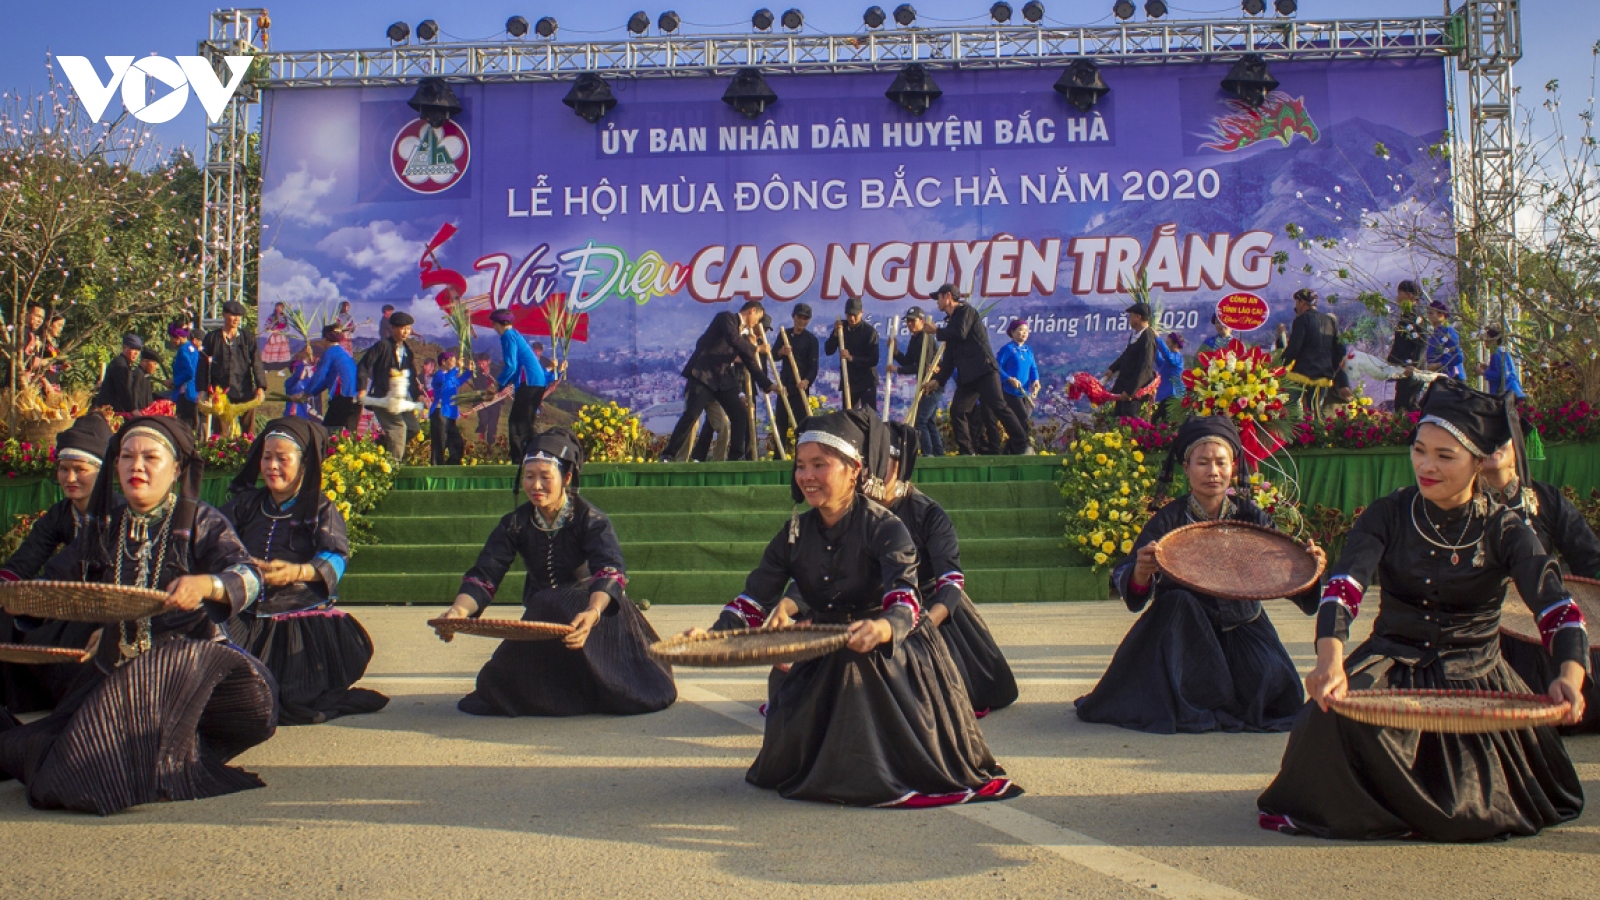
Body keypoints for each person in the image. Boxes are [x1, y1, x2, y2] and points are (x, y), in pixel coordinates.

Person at [1257, 380, 1587, 841]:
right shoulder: (1387, 514)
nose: (1426, 466)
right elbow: (1343, 588)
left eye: (1445, 456)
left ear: (1477, 462)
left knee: (1472, 807)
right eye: (1419, 450)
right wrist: (1330, 662)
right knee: (1327, 717)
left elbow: (1556, 607)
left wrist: (1569, 675)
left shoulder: (1506, 528)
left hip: (1475, 671)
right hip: (1394, 656)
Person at [696, 410, 1020, 807]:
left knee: (857, 667)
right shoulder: (794, 533)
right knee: (789, 689)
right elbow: (753, 597)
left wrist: (884, 628)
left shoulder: (885, 526)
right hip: (826, 640)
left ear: (854, 470)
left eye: (820, 465)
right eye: (801, 466)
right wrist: (716, 634)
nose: (807, 475)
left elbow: (905, 595)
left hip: (888, 648)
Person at [0, 415, 277, 816]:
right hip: (120, 673)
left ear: (177, 468)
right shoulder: (105, 527)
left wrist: (206, 585)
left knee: (166, 664)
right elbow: (55, 580)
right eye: (127, 457)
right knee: (35, 749)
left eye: (150, 457)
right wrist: (20, 600)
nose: (137, 467)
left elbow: (250, 577)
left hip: (193, 675)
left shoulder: (200, 521)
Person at [1076, 416, 1323, 734]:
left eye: (1221, 462)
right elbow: (1130, 578)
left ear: (1233, 466)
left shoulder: (1251, 517)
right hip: (1185, 636)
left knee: (1278, 696)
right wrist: (1141, 571)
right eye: (1203, 462)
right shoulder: (1169, 521)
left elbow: (1286, 576)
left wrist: (1308, 568)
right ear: (1186, 467)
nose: (1213, 472)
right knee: (1178, 603)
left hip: (1242, 626)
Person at [434, 429, 675, 717]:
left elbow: (609, 568)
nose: (536, 485)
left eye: (545, 477)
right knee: (493, 687)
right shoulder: (515, 523)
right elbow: (486, 572)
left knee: (629, 693)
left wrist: (593, 612)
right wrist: (458, 612)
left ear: (567, 478)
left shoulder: (590, 519)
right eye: (529, 476)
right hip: (544, 618)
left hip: (593, 614)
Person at [221, 418, 388, 726]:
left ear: (304, 463)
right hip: (248, 615)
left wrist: (298, 572)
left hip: (299, 621)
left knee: (291, 699)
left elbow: (336, 555)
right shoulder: (246, 505)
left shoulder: (319, 508)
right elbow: (216, 540)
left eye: (282, 459)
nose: (272, 466)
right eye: (267, 456)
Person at [881, 419, 1018, 714]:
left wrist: (923, 623)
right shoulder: (856, 512)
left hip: (930, 610)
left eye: (884, 461)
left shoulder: (927, 514)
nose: (875, 469)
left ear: (900, 464)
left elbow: (951, 580)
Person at [1479, 427, 1600, 732]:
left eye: (1500, 437)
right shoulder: (1458, 501)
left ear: (1518, 445)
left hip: (1540, 616)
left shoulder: (1545, 498)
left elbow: (1589, 557)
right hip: (1485, 625)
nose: (1492, 445)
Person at [0, 414, 117, 712]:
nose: (70, 478)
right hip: (65, 599)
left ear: (102, 473)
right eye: (64, 469)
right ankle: (19, 701)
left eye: (80, 469)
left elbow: (69, 562)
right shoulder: (60, 513)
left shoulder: (117, 512)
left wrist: (35, 595)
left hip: (106, 606)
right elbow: (27, 558)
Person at [660, 302, 773, 463]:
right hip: (703, 376)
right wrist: (756, 349)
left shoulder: (743, 336)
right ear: (752, 311)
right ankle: (669, 454)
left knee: (740, 414)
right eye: (758, 318)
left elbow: (750, 363)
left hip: (721, 380)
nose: (757, 323)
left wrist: (767, 384)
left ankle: (735, 456)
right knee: (691, 415)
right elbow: (732, 339)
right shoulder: (726, 318)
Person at [923, 284, 1028, 455]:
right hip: (968, 377)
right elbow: (950, 357)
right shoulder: (951, 323)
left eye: (939, 297)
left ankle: (1022, 443)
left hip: (984, 370)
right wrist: (938, 380)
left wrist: (937, 331)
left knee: (999, 406)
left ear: (948, 296)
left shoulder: (966, 311)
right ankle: (967, 451)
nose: (937, 302)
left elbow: (960, 332)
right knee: (958, 410)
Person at [358, 310, 425, 461]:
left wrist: (418, 395)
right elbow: (363, 366)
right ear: (393, 328)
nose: (405, 332)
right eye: (402, 328)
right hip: (383, 398)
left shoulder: (407, 350)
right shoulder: (382, 346)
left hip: (399, 399)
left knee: (413, 428)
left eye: (408, 328)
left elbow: (412, 376)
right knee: (398, 429)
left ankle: (384, 446)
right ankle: (393, 468)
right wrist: (362, 389)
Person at [488, 308, 550, 465]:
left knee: (517, 424)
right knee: (526, 423)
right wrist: (502, 387)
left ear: (497, 324)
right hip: (537, 383)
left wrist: (496, 385)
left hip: (530, 383)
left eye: (494, 324)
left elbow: (510, 365)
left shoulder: (507, 336)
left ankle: (519, 462)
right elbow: (516, 368)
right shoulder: (515, 334)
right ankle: (533, 458)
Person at [197, 300, 268, 435]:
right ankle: (221, 454)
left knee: (248, 432)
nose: (236, 319)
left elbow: (257, 362)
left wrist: (260, 387)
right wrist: (202, 389)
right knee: (220, 433)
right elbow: (203, 365)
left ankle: (248, 452)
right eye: (233, 315)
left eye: (239, 315)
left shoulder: (247, 337)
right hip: (221, 392)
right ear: (224, 314)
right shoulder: (212, 338)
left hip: (244, 389)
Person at [1282, 288, 1346, 412]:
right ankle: (1315, 431)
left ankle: (1295, 431)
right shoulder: (1331, 321)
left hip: (1302, 373)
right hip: (1323, 376)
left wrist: (1280, 365)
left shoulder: (1302, 320)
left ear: (1302, 302)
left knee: (1290, 408)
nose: (1296, 306)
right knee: (1315, 411)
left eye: (1296, 303)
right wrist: (1331, 369)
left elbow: (1294, 348)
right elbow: (1340, 349)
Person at [892, 306, 943, 458]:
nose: (909, 324)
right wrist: (895, 353)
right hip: (924, 384)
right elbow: (908, 361)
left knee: (921, 420)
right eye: (908, 321)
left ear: (922, 321)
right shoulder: (915, 339)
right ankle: (938, 453)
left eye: (913, 321)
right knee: (929, 422)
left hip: (932, 385)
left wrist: (897, 370)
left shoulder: (926, 338)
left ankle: (928, 453)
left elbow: (921, 366)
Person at [299, 322, 360, 433]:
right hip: (354, 398)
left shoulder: (330, 352)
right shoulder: (343, 352)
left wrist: (306, 393)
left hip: (343, 397)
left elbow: (320, 375)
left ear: (325, 339)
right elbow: (326, 381)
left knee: (329, 432)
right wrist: (310, 394)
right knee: (348, 434)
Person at [1103, 301, 1158, 419]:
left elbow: (1145, 369)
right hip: (1124, 384)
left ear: (1138, 317)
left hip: (1134, 390)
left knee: (1128, 419)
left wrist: (1130, 391)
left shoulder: (1147, 338)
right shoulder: (1135, 335)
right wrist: (1112, 369)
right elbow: (1127, 355)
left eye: (1131, 316)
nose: (1130, 319)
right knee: (1118, 416)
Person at [825, 297, 881, 412]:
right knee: (849, 415)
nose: (851, 318)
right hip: (849, 380)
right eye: (849, 314)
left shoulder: (869, 332)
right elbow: (828, 350)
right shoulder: (841, 329)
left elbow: (873, 360)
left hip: (867, 380)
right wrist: (835, 334)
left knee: (869, 415)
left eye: (855, 315)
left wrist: (852, 358)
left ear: (861, 313)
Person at [773, 303, 819, 441]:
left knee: (801, 424)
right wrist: (782, 351)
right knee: (781, 423)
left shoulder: (811, 340)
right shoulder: (784, 335)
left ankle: (801, 455)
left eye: (805, 318)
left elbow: (814, 366)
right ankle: (778, 456)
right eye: (799, 317)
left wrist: (806, 381)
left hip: (800, 387)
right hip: (785, 385)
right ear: (794, 317)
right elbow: (774, 355)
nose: (802, 321)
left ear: (808, 320)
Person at [1386, 281, 1429, 412]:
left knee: (1408, 406)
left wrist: (1414, 365)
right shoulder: (1406, 316)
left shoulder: (1416, 317)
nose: (1397, 297)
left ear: (1410, 296)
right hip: (1403, 369)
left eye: (1400, 293)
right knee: (1401, 405)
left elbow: (1422, 343)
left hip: (1411, 370)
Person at [995, 319, 1040, 442]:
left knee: (1022, 423)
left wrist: (1035, 381)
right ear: (1013, 332)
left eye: (1026, 331)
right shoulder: (1008, 349)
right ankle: (1024, 447)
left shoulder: (1028, 350)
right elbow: (996, 367)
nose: (1024, 333)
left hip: (1025, 392)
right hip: (1011, 392)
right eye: (1020, 330)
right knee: (1023, 419)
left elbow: (1033, 368)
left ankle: (1012, 449)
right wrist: (1008, 379)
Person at [429, 350, 471, 466]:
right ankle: (437, 471)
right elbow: (446, 380)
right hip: (440, 413)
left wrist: (469, 371)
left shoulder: (450, 376)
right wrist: (456, 368)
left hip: (450, 415)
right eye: (451, 360)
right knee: (439, 445)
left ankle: (449, 467)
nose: (454, 362)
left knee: (457, 444)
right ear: (443, 362)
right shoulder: (439, 375)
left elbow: (458, 381)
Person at [91, 333, 146, 414]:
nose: (136, 353)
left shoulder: (126, 364)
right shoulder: (119, 364)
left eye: (138, 350)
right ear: (124, 348)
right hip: (108, 410)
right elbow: (123, 390)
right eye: (133, 349)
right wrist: (132, 410)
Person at [169, 323, 203, 428]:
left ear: (178, 337)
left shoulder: (183, 350)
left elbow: (189, 372)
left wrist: (174, 382)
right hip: (194, 394)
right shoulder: (192, 349)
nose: (171, 341)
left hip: (185, 395)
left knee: (183, 426)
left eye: (172, 338)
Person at [1424, 300, 1465, 382]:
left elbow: (1458, 356)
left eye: (1431, 313)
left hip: (1452, 377)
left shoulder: (1448, 331)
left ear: (1441, 314)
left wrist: (1438, 365)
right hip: (1438, 377)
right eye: (1427, 313)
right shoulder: (1434, 333)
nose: (1428, 316)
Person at [1479, 327, 1525, 399]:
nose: (1485, 341)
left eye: (1487, 338)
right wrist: (1488, 368)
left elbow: (1502, 375)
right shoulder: (1502, 350)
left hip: (1507, 392)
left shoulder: (1496, 353)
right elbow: (1502, 369)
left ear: (1495, 340)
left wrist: (1483, 372)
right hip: (1514, 390)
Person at [471, 353, 504, 450]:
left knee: (492, 426)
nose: (481, 366)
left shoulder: (496, 371)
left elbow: (501, 384)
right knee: (483, 420)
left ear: (488, 361)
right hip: (483, 402)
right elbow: (480, 388)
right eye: (480, 364)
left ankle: (490, 447)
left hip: (495, 402)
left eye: (483, 363)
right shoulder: (476, 375)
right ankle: (481, 433)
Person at [1152, 331, 1187, 421]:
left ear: (1175, 344)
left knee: (1159, 420)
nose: (1167, 345)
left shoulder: (1177, 358)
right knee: (1157, 420)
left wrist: (1158, 339)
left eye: (1168, 343)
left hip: (1173, 395)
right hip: (1167, 395)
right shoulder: (1168, 361)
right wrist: (1153, 345)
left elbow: (1167, 355)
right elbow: (1160, 361)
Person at [283, 347, 317, 419]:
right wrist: (302, 364)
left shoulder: (308, 381)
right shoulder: (290, 382)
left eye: (306, 369)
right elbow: (297, 376)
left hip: (304, 414)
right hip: (292, 414)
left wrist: (311, 355)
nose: (304, 370)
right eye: (303, 369)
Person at [262, 301, 292, 368]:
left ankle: (280, 368)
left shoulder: (284, 317)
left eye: (282, 307)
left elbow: (287, 328)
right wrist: (270, 328)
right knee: (270, 351)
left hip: (281, 335)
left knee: (281, 352)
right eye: (279, 307)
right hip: (273, 335)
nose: (280, 308)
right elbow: (266, 326)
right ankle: (268, 367)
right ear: (276, 307)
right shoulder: (271, 316)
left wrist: (280, 332)